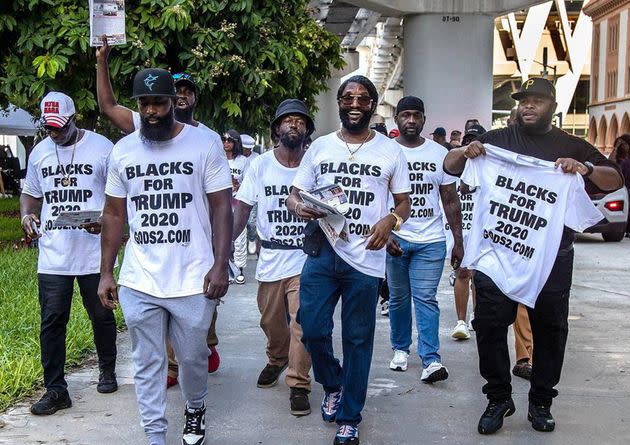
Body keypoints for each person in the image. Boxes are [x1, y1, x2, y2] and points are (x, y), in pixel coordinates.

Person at [444, 77, 623, 435]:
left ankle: (541, 401)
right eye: (523, 100)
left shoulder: (571, 145)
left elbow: (614, 179)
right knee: (490, 327)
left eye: (537, 101)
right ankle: (498, 397)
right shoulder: (496, 141)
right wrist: (466, 152)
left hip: (551, 259)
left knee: (551, 331)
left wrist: (584, 168)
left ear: (553, 107)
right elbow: (449, 168)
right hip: (498, 254)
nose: (528, 106)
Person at [98, 68, 233, 445]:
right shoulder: (123, 151)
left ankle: (195, 407)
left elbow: (221, 207)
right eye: (145, 103)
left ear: (174, 102)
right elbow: (113, 213)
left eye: (160, 102)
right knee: (147, 362)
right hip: (139, 279)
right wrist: (106, 272)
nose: (152, 111)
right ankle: (155, 434)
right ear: (137, 105)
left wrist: (220, 264)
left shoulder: (203, 144)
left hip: (193, 278)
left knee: (192, 358)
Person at [287, 75, 411, 445]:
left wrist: (392, 220)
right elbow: (294, 194)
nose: (355, 104)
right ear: (339, 103)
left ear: (372, 105)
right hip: (324, 251)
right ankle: (333, 382)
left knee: (358, 338)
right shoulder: (320, 147)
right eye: (348, 97)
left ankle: (350, 416)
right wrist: (299, 207)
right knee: (310, 326)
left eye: (362, 98)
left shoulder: (391, 152)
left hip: (366, 258)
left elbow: (403, 201)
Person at [20, 92, 118, 415]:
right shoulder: (39, 153)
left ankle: (107, 368)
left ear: (75, 118)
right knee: (51, 322)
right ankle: (56, 390)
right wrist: (26, 216)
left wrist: (103, 221)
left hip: (93, 252)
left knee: (101, 315)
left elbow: (117, 200)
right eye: (49, 128)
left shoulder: (103, 148)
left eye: (61, 127)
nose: (55, 134)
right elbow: (30, 196)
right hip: (53, 255)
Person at [232, 99, 315, 416]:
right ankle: (277, 356)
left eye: (300, 120)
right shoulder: (261, 165)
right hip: (271, 259)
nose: (293, 124)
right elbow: (242, 208)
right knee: (271, 323)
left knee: (302, 323)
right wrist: (225, 246)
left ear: (306, 129)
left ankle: (298, 383)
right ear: (277, 128)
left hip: (305, 259)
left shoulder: (314, 164)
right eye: (287, 120)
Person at [385, 96, 463, 382]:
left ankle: (431, 359)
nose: (411, 121)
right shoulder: (385, 150)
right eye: (405, 115)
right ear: (397, 119)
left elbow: (450, 199)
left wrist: (458, 239)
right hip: (395, 237)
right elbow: (376, 195)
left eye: (417, 115)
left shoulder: (438, 153)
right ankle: (400, 349)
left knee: (426, 299)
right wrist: (385, 234)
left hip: (430, 240)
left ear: (424, 120)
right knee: (398, 298)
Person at [449, 124, 485, 340]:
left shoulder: (490, 167)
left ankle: (476, 316)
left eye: (475, 140)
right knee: (463, 272)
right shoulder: (455, 166)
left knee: (480, 278)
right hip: (462, 230)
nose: (471, 144)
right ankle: (461, 321)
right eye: (467, 140)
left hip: (483, 230)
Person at [223, 129, 250, 284]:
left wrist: (238, 185)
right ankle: (224, 266)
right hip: (220, 202)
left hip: (236, 201)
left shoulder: (243, 161)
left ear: (236, 142)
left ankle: (239, 268)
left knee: (239, 236)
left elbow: (248, 182)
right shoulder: (218, 158)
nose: (226, 143)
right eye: (224, 139)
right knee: (220, 234)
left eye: (229, 140)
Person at [611, 135, 630, 237]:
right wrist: (616, 148)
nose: (623, 146)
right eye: (621, 144)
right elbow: (610, 163)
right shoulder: (617, 158)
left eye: (625, 144)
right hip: (623, 187)